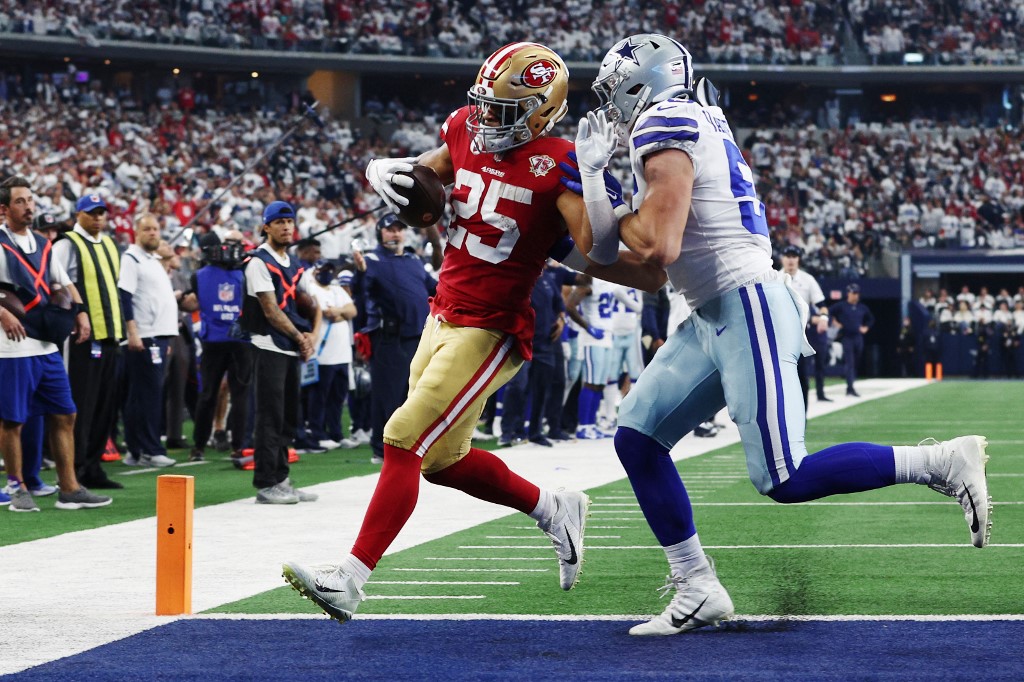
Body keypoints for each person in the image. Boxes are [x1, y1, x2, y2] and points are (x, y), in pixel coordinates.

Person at [570, 33, 991, 636]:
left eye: (616, 94)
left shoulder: (664, 122)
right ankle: (697, 586)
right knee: (636, 439)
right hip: (710, 309)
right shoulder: (683, 119)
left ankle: (940, 462)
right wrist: (584, 206)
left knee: (784, 477)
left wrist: (593, 191)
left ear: (645, 84)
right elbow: (623, 255)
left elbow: (654, 247)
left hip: (746, 303)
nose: (613, 109)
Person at [282, 41, 667, 623]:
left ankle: (351, 580)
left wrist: (589, 184)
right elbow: (428, 184)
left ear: (541, 111)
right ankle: (552, 508)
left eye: (504, 110)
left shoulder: (558, 161)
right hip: (443, 313)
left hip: (492, 328)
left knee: (403, 435)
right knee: (442, 461)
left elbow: (598, 251)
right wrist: (393, 174)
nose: (486, 119)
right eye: (482, 105)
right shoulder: (466, 125)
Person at [0, 175, 112, 511]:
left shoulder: (44, 244)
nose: (29, 206)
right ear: (4, 209)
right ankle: (17, 486)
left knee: (65, 414)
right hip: (12, 347)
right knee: (13, 421)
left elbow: (62, 283)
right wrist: (2, 312)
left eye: (31, 200)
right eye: (20, 201)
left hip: (46, 345)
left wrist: (81, 313)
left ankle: (69, 487)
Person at [239, 200, 321, 504]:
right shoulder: (258, 262)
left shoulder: (295, 264)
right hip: (268, 345)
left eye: (290, 222)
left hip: (290, 346)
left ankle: (282, 477)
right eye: (279, 222)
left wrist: (313, 334)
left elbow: (312, 304)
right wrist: (302, 338)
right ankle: (266, 482)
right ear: (266, 227)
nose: (286, 227)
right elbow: (271, 311)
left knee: (288, 416)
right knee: (269, 416)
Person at [52, 193, 127, 489]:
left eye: (101, 213)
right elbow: (55, 283)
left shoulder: (109, 244)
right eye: (91, 213)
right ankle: (75, 468)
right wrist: (74, 315)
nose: (97, 218)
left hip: (111, 335)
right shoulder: (66, 244)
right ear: (78, 214)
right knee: (81, 404)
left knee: (105, 406)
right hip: (83, 337)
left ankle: (93, 466)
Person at [350, 213, 436, 465]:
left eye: (399, 229)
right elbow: (360, 290)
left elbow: (435, 287)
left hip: (418, 337)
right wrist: (360, 273)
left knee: (414, 395)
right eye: (389, 230)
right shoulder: (372, 261)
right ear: (380, 233)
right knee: (387, 395)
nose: (395, 233)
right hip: (389, 338)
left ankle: (409, 444)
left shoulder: (413, 260)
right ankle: (381, 448)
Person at [118, 214, 179, 468]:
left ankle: (136, 449)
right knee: (150, 394)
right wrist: (132, 331)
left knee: (138, 395)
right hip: (145, 335)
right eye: (147, 229)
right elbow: (124, 295)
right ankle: (150, 448)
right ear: (136, 232)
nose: (153, 233)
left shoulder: (152, 260)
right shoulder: (132, 258)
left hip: (156, 334)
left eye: (156, 229)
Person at [188, 230, 253, 462]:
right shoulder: (245, 274)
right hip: (236, 341)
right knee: (235, 394)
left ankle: (201, 447)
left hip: (218, 342)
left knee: (212, 395)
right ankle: (236, 446)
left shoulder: (199, 276)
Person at [306, 260, 358, 449]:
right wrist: (340, 313)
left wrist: (338, 311)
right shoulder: (311, 289)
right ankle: (317, 432)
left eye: (330, 270)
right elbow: (321, 313)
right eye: (323, 270)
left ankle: (336, 433)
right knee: (319, 396)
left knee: (338, 395)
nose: (327, 273)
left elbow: (352, 311)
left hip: (342, 353)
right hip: (323, 353)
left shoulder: (337, 290)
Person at [779, 245, 830, 405]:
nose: (791, 260)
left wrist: (823, 318)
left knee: (801, 378)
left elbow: (822, 304)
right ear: (782, 258)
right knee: (777, 380)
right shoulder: (773, 278)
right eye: (788, 256)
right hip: (778, 335)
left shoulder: (808, 280)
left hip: (799, 335)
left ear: (799, 259)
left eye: (794, 256)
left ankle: (802, 420)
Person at [829, 283, 874, 397]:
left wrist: (866, 327)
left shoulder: (861, 307)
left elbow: (870, 319)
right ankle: (850, 388)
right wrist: (835, 323)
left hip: (858, 337)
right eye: (853, 293)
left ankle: (851, 384)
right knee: (850, 362)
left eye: (857, 293)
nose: (855, 296)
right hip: (847, 336)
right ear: (848, 293)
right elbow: (829, 312)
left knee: (856, 362)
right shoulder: (842, 306)